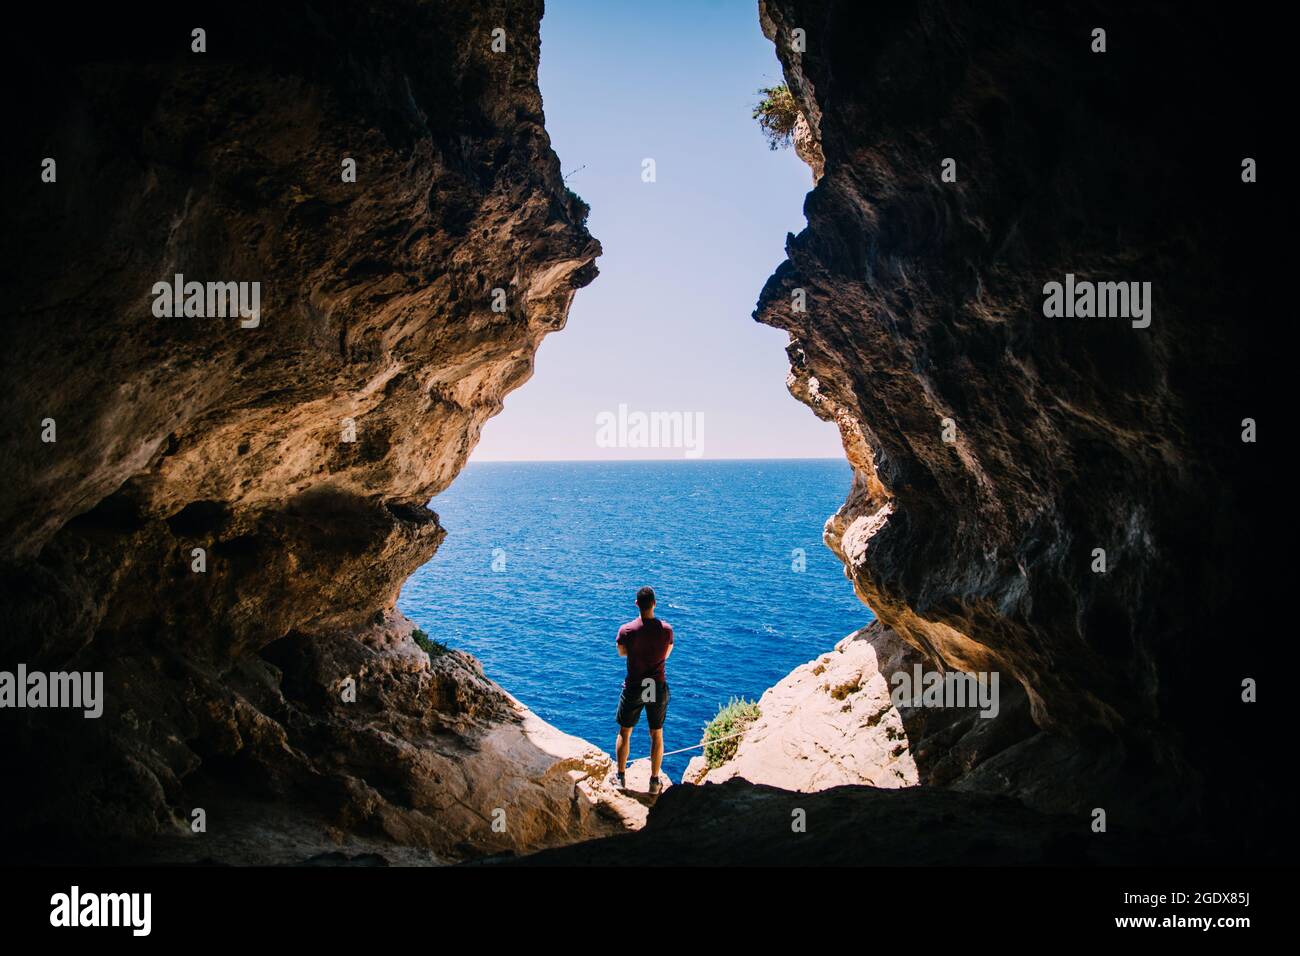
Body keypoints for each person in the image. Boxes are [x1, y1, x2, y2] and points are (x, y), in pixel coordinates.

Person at [613, 585, 674, 795]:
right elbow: (667, 654)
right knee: (656, 733)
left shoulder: (627, 630)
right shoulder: (666, 630)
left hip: (635, 686)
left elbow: (622, 653)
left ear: (637, 604)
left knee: (625, 731)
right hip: (655, 685)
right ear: (654, 604)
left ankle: (620, 777)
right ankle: (654, 781)